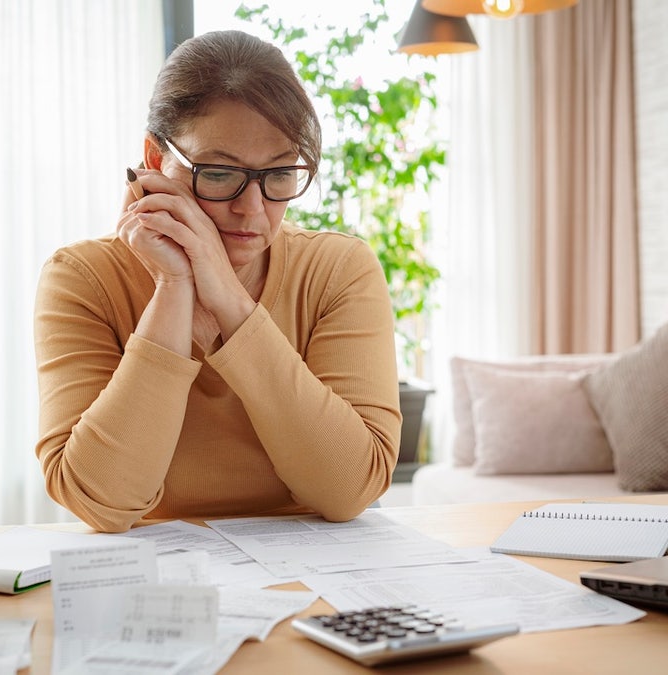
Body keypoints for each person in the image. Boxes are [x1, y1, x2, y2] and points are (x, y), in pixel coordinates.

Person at [33, 30, 402, 533]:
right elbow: (102, 501)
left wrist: (228, 300)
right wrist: (173, 287)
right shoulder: (82, 279)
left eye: (279, 173)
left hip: (312, 568)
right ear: (154, 157)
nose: (252, 209)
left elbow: (349, 488)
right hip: (156, 578)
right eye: (219, 173)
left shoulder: (337, 269)